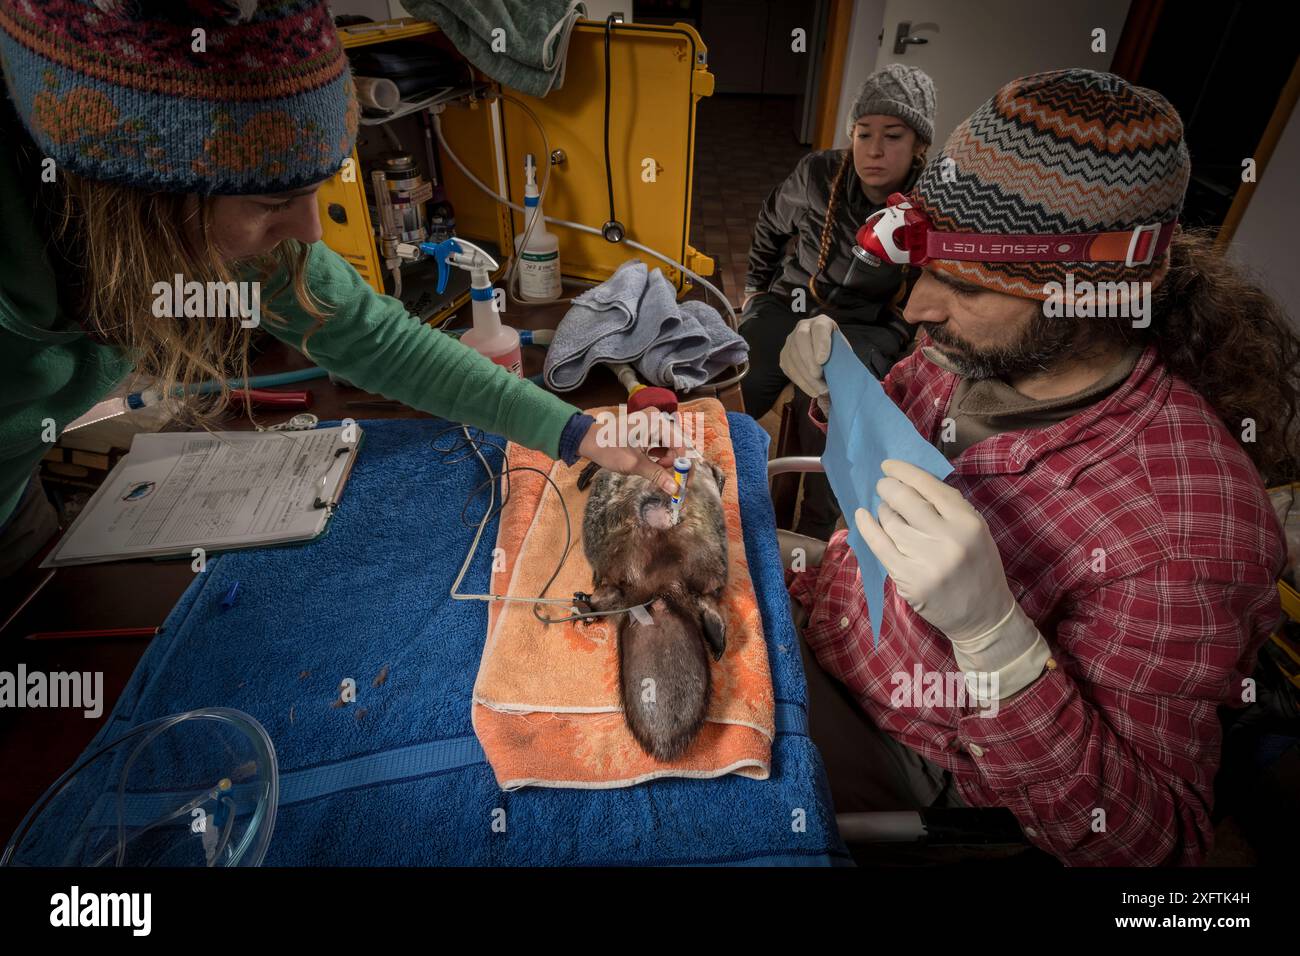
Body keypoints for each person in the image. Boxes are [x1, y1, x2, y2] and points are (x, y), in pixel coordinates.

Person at [779, 69, 1298, 865]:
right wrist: (838, 392)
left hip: (916, 746)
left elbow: (1147, 847)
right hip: (840, 614)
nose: (916, 307)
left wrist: (998, 647)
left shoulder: (1193, 531)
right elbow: (899, 416)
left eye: (965, 281)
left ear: (1095, 295)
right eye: (923, 265)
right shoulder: (981, 345)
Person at [0, 0, 678, 577]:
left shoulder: (215, 227)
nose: (312, 231)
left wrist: (576, 432)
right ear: (137, 204)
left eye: (315, 189)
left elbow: (384, 343)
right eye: (275, 203)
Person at [741, 63, 935, 538]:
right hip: (792, 303)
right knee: (740, 377)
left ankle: (815, 533)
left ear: (918, 146)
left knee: (837, 410)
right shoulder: (817, 173)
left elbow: (930, 287)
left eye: (892, 136)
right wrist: (753, 290)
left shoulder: (931, 201)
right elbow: (770, 225)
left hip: (868, 324)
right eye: (863, 133)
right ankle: (721, 486)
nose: (874, 149)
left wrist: (900, 338)